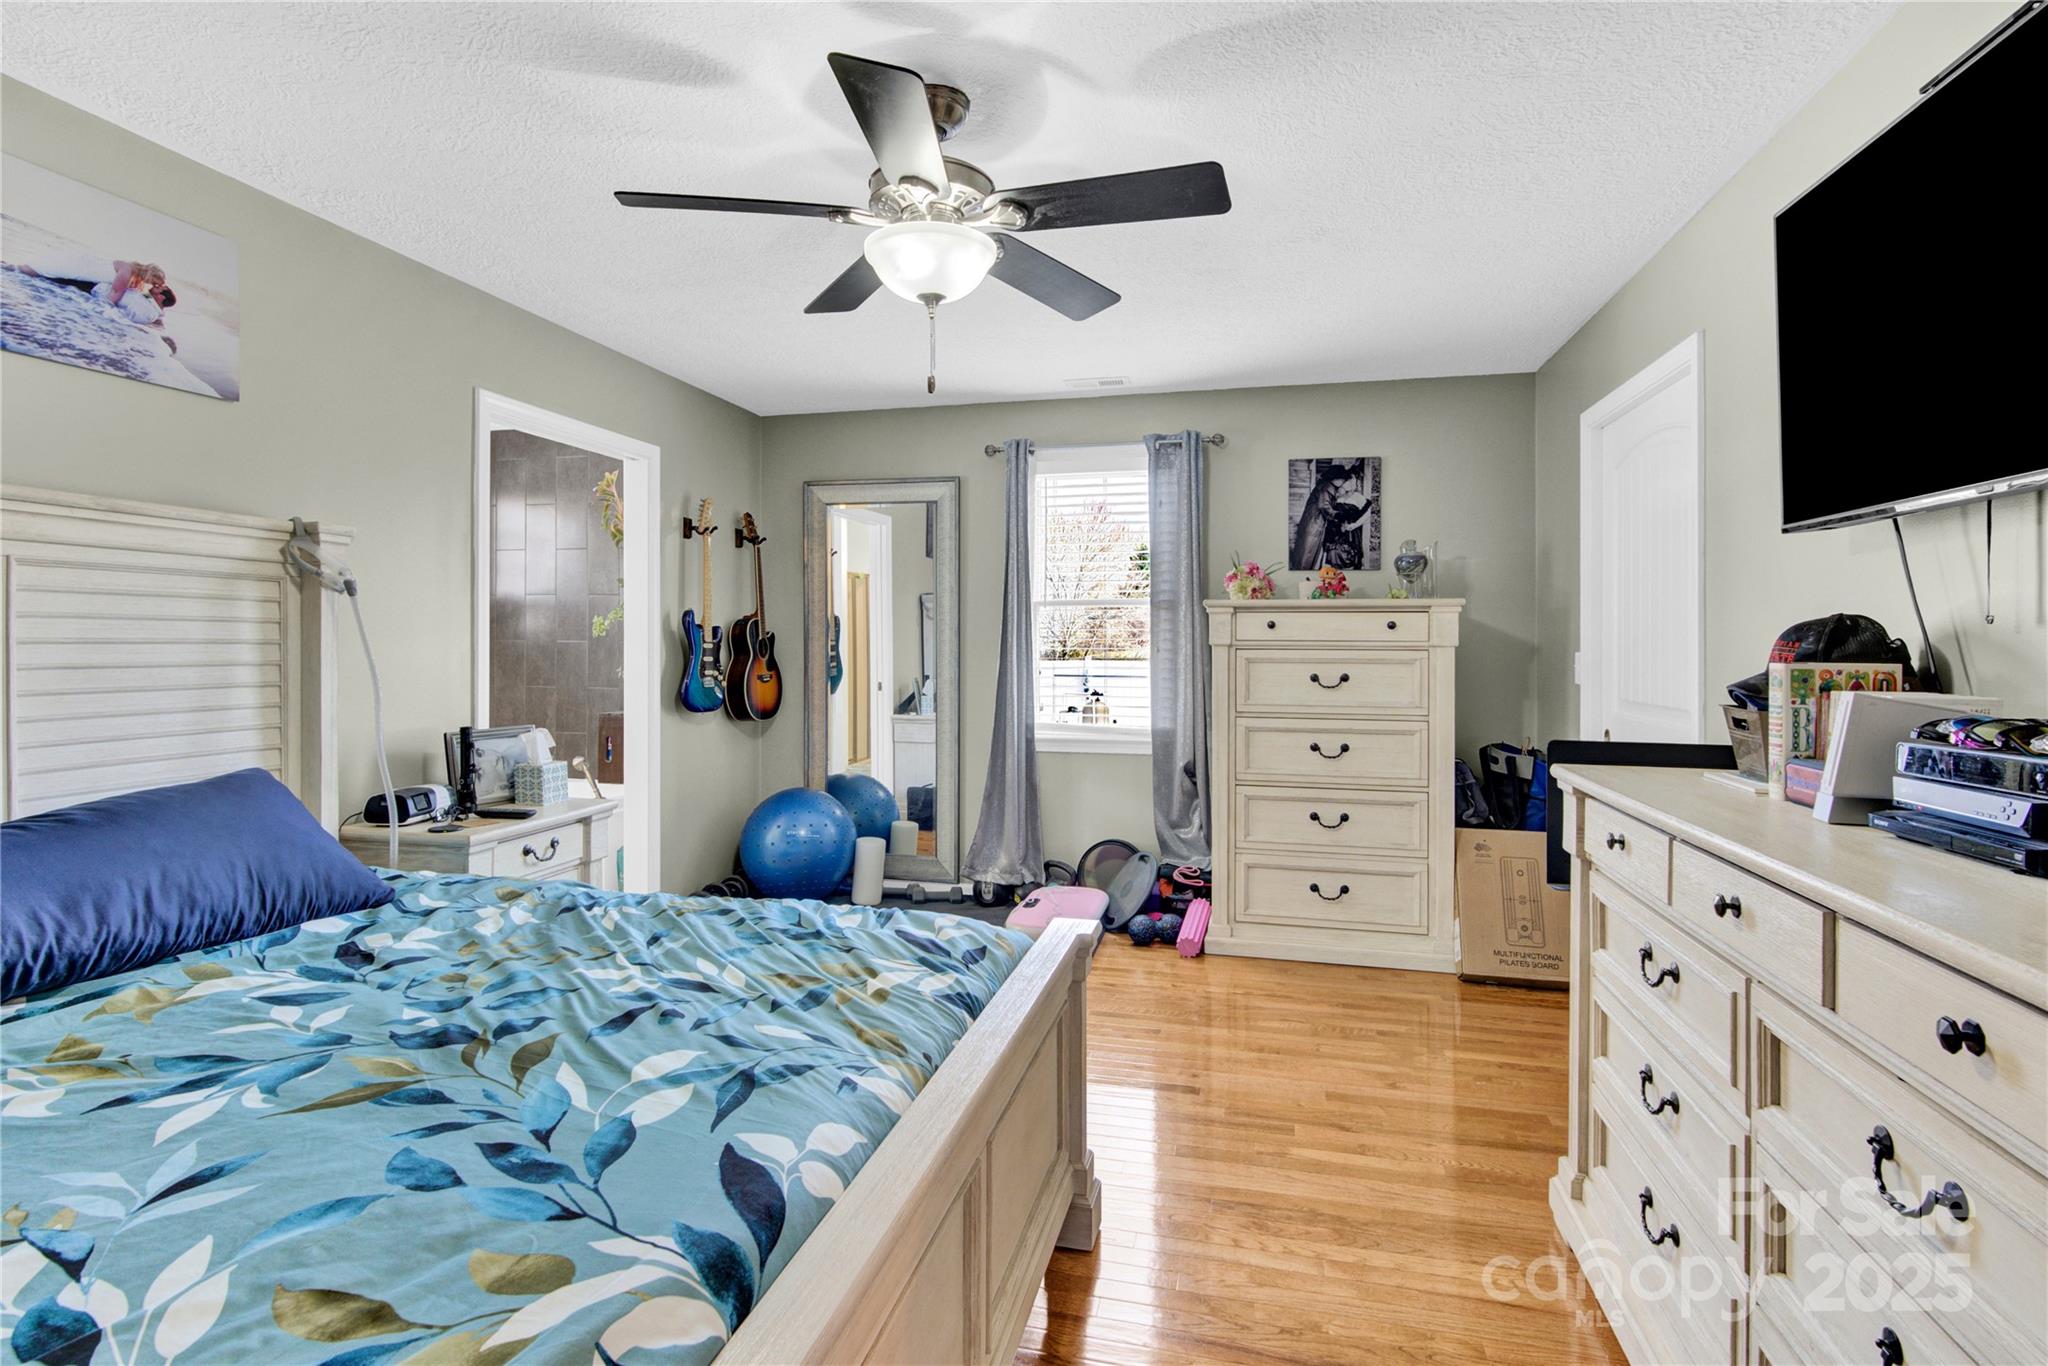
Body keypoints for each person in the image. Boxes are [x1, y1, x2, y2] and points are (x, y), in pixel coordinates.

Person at [1291, 462, 1375, 570]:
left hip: (1348, 533)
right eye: (1345, 480)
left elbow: (1367, 513)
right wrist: (1339, 517)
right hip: (1320, 527)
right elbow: (1325, 506)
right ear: (1337, 478)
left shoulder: (1355, 496)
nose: (1344, 483)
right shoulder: (1328, 487)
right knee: (1309, 553)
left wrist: (1353, 525)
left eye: (1349, 480)